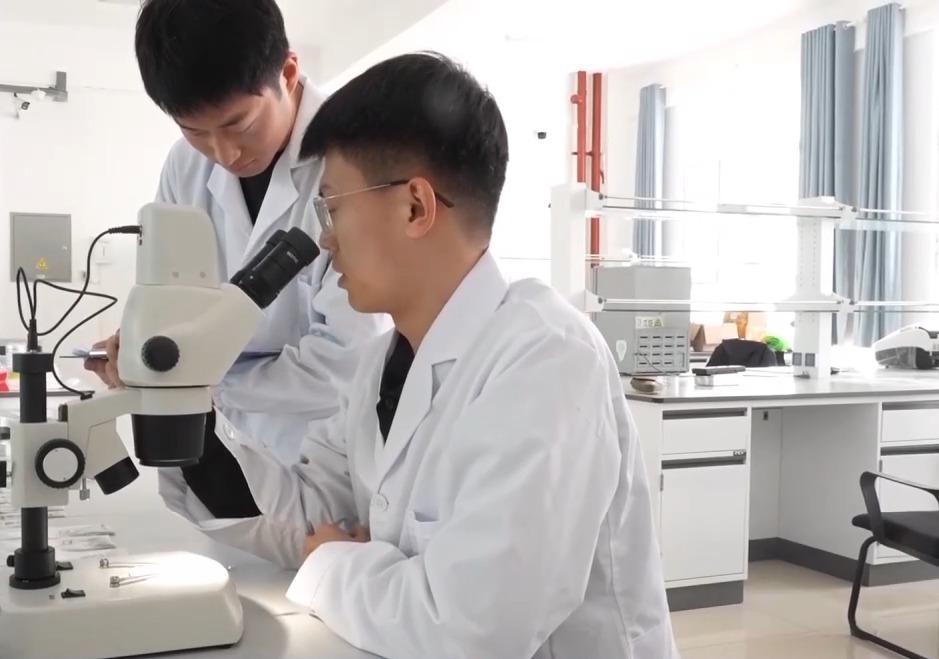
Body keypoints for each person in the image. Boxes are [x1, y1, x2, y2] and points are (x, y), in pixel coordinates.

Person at [160, 51, 679, 659]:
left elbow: (471, 628)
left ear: (415, 207)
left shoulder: (546, 360)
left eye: (332, 206)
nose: (324, 239)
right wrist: (187, 425)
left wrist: (331, 564)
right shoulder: (384, 364)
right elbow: (310, 511)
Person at [85, 0, 387, 563]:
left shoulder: (352, 160)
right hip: (230, 456)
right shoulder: (185, 166)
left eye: (237, 125)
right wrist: (149, 354)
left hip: (328, 459)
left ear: (288, 72)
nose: (223, 153)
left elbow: (348, 363)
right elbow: (174, 306)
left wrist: (190, 377)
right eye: (194, 130)